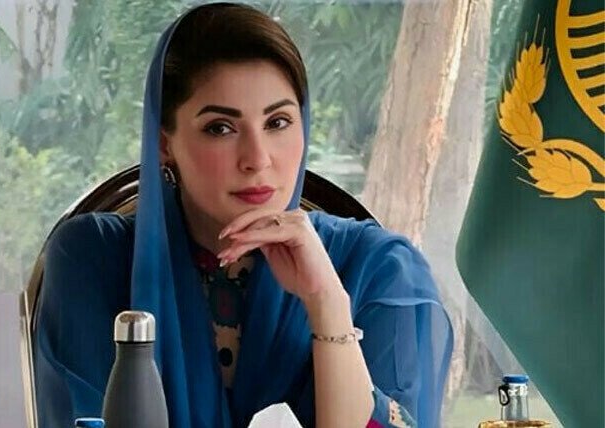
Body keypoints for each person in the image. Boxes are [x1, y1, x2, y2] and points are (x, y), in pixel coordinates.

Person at [33, 3, 453, 427]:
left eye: (278, 122)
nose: (257, 158)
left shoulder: (381, 269)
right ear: (164, 144)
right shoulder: (93, 260)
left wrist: (327, 304)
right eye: (221, 128)